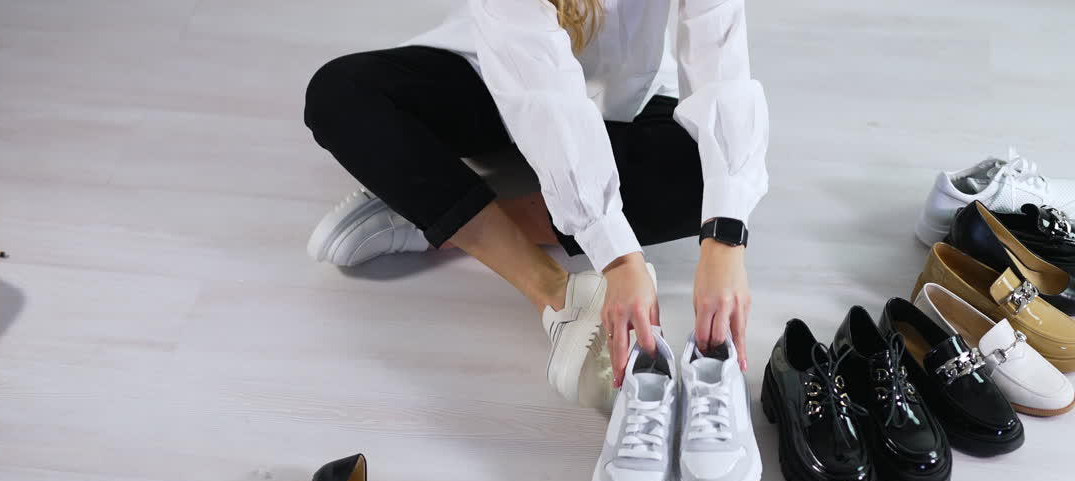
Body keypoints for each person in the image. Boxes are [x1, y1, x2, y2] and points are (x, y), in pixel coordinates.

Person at [303, 0, 768, 408]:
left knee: (698, 173)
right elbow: (548, 106)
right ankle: (557, 294)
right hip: (498, 75)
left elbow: (721, 55)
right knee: (340, 94)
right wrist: (620, 260)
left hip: (623, 96)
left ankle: (433, 212)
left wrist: (725, 240)